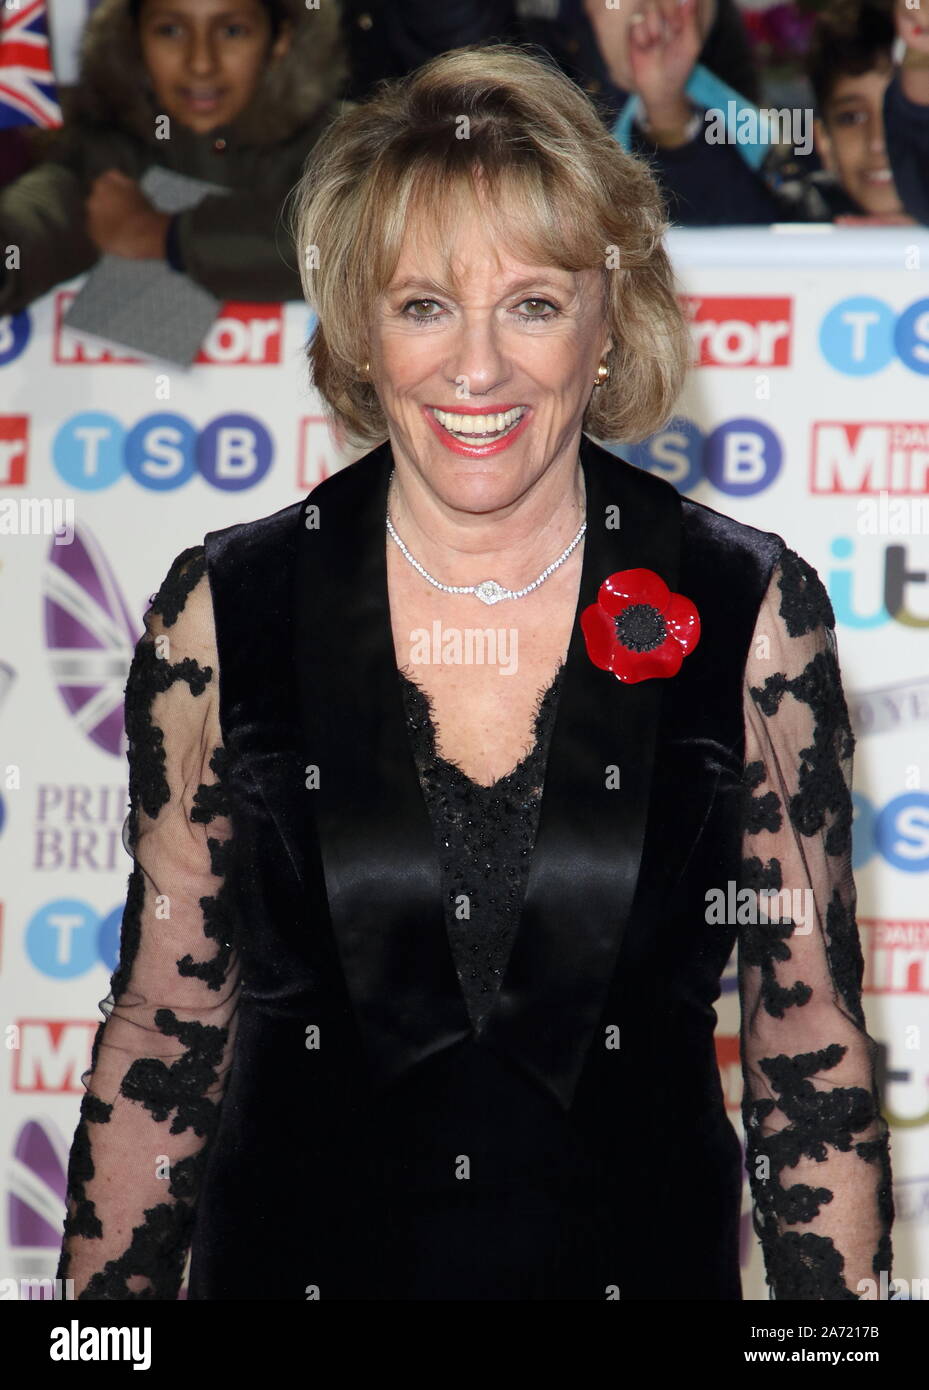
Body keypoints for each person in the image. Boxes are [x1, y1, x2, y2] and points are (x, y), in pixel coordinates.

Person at [56, 43, 894, 1301]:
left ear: (606, 323)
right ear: (362, 328)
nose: (477, 369)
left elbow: (806, 1042)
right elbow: (164, 1027)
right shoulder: (230, 611)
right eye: (424, 304)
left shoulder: (741, 610)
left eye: (533, 304)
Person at [0, 0, 346, 316]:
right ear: (134, 39)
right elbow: (39, 218)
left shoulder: (353, 143)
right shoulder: (107, 150)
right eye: (171, 30)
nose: (200, 64)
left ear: (280, 40)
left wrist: (166, 236)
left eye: (232, 31)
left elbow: (357, 243)